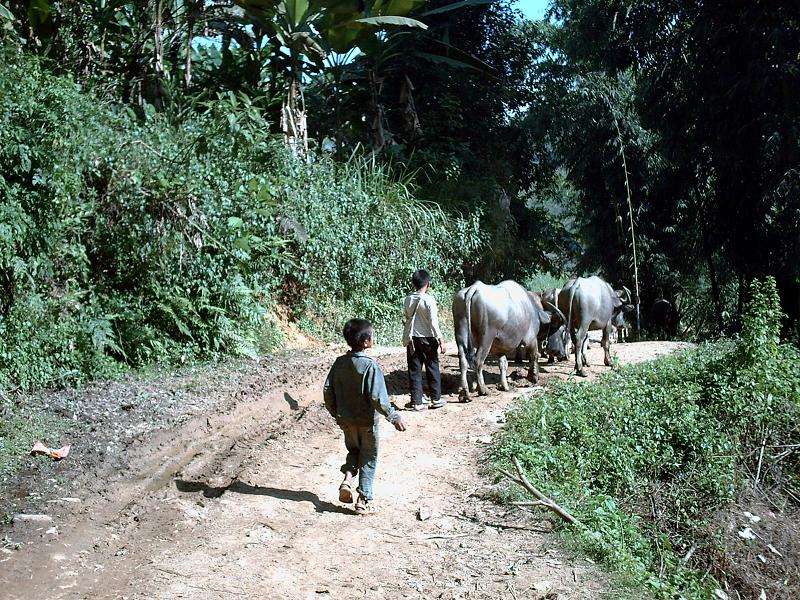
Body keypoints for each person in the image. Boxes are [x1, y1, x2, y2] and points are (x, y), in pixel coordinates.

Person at [323, 318, 407, 515]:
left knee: (354, 451)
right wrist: (394, 417)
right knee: (369, 457)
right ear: (366, 341)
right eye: (372, 335)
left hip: (346, 420)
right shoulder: (371, 366)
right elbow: (378, 398)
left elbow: (328, 391)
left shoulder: (339, 363)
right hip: (367, 422)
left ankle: (347, 479)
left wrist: (336, 413)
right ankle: (363, 499)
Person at [402, 269, 448, 411]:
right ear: (428, 284)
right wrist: (441, 339)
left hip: (412, 339)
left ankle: (417, 401)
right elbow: (433, 322)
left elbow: (407, 318)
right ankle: (436, 398)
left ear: (413, 283)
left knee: (414, 369)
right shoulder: (429, 300)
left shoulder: (408, 299)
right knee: (432, 367)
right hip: (427, 339)